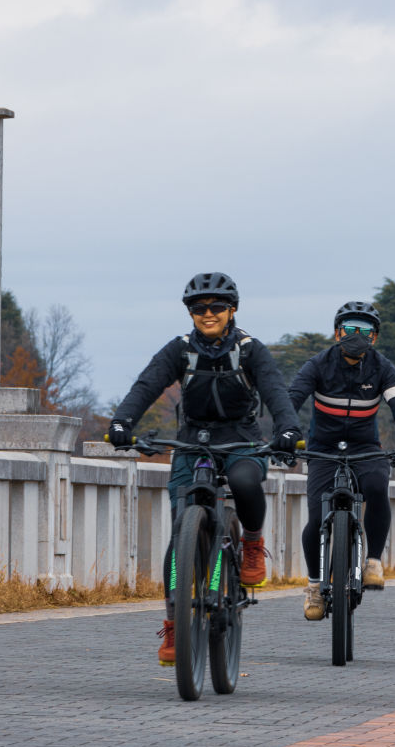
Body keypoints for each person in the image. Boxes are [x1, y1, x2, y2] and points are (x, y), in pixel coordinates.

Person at [107, 272, 303, 665]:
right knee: (181, 529)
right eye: (199, 308)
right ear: (190, 313)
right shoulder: (179, 350)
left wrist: (288, 428)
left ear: (232, 310)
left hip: (241, 439)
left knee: (247, 482)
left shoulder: (250, 350)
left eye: (216, 307)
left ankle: (250, 543)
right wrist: (121, 423)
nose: (208, 314)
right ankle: (175, 623)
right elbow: (146, 385)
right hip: (192, 441)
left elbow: (275, 391)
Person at [288, 301, 395, 619]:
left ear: (374, 338)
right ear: (337, 332)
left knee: (376, 487)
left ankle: (373, 561)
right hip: (324, 449)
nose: (356, 335)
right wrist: (285, 432)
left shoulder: (383, 367)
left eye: (364, 330)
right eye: (349, 328)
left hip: (365, 447)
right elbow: (292, 397)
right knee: (316, 519)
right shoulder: (318, 364)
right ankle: (315, 585)